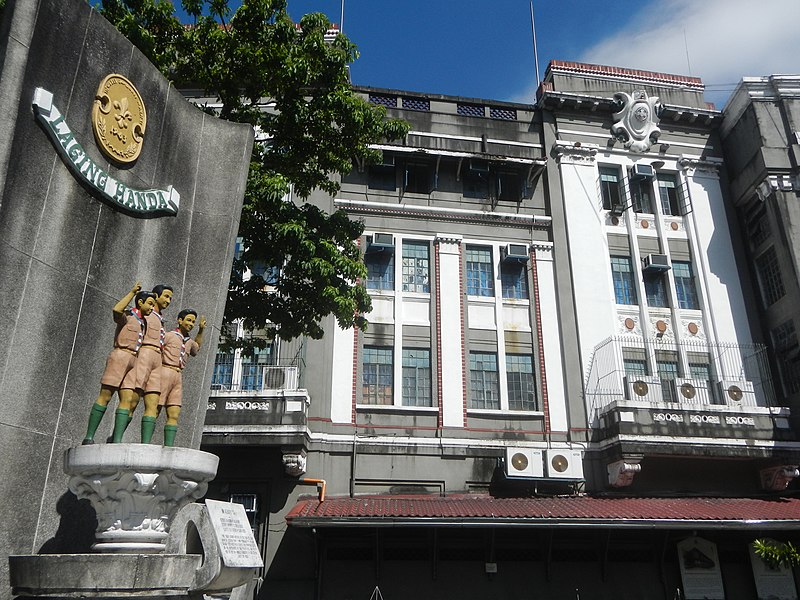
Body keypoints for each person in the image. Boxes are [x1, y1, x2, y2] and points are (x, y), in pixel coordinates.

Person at [82, 282, 156, 445]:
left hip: (133, 360)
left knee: (127, 398)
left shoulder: (144, 323)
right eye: (149, 304)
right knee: (106, 395)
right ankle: (89, 436)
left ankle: (117, 440)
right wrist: (131, 293)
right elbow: (116, 310)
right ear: (140, 302)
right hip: (120, 355)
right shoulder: (128, 316)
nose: (152, 307)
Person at [148, 309, 206, 446]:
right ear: (180, 320)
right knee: (155, 408)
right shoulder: (169, 335)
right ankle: (146, 442)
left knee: (174, 412)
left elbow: (196, 349)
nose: (191, 324)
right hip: (164, 371)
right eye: (188, 320)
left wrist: (201, 330)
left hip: (177, 375)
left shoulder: (189, 341)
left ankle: (169, 446)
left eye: (193, 322)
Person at [128, 285, 173, 443]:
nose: (168, 301)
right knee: (132, 400)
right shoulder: (145, 313)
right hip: (144, 355)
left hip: (157, 360)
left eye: (170, 298)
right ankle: (116, 437)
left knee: (153, 404)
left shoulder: (160, 319)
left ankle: (145, 444)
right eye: (166, 296)